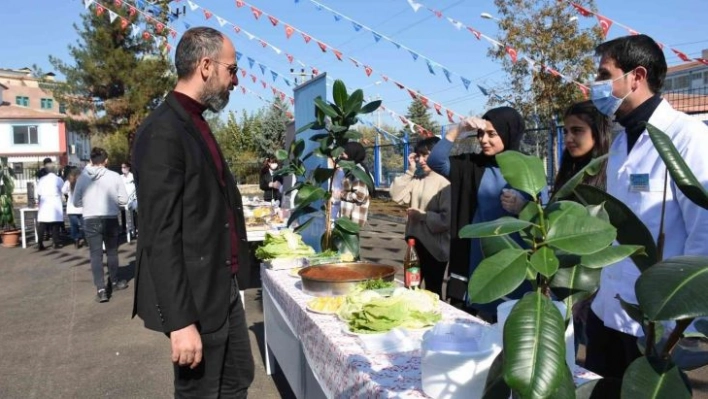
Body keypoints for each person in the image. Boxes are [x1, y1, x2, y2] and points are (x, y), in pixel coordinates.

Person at [131, 26, 254, 397]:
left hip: (223, 290)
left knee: (237, 380)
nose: (235, 80)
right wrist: (181, 323)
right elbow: (160, 233)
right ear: (206, 65)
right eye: (231, 70)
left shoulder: (196, 121)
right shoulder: (163, 132)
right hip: (196, 300)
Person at [585, 34, 708, 380]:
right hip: (608, 309)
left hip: (655, 322)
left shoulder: (688, 136)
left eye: (604, 74)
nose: (596, 85)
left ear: (636, 76)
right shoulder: (621, 140)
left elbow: (705, 230)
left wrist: (680, 318)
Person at [427, 106, 535, 322]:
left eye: (492, 134)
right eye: (481, 133)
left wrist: (523, 206)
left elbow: (542, 217)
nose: (484, 140)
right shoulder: (473, 165)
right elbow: (435, 161)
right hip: (474, 260)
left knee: (506, 328)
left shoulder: (529, 169)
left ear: (508, 133)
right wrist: (458, 129)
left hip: (513, 262)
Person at [390, 137, 451, 297]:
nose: (421, 160)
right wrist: (410, 170)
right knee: (410, 289)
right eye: (419, 156)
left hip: (434, 250)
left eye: (426, 155)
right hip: (413, 247)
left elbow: (447, 220)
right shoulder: (417, 178)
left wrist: (423, 216)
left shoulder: (445, 183)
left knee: (433, 293)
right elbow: (396, 195)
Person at [73, 147, 129, 303]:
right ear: (106, 161)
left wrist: (88, 202)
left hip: (90, 218)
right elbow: (124, 200)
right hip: (110, 217)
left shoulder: (82, 178)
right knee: (112, 252)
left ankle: (101, 289)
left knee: (95, 255)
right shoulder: (115, 176)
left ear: (91, 161)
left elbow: (75, 202)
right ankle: (115, 281)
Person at [554, 100, 611, 192]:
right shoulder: (568, 172)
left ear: (597, 133)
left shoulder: (613, 174)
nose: (568, 139)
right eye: (565, 132)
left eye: (577, 130)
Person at [333, 142, 371, 228]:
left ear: (352, 153)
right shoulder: (352, 169)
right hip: (348, 218)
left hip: (353, 220)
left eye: (343, 154)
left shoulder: (358, 171)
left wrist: (341, 194)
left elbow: (360, 196)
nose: (341, 156)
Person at [35, 161, 64, 250]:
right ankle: (55, 242)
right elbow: (63, 189)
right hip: (55, 201)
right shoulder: (58, 179)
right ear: (54, 170)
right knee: (55, 223)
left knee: (42, 223)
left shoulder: (42, 179)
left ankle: (40, 242)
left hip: (45, 202)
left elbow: (38, 191)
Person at [62, 167, 84, 249]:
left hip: (71, 208)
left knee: (74, 225)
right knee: (84, 225)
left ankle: (76, 239)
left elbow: (63, 191)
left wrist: (68, 193)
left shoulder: (68, 182)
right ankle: (85, 238)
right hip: (81, 208)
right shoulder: (82, 182)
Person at [120, 162, 137, 236]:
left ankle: (135, 228)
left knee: (134, 212)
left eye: (124, 167)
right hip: (124, 198)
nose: (122, 169)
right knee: (123, 213)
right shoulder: (120, 178)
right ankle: (125, 229)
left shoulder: (132, 176)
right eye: (122, 167)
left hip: (132, 198)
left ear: (128, 168)